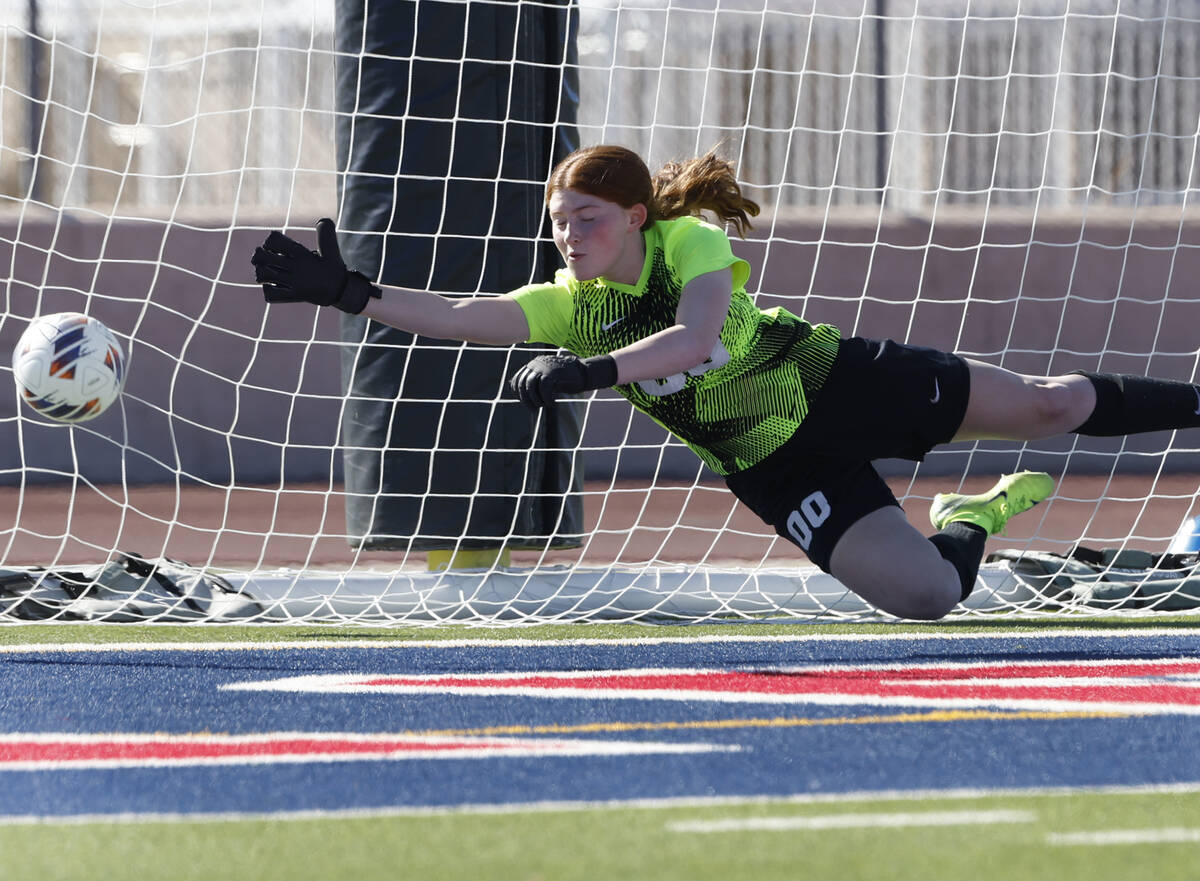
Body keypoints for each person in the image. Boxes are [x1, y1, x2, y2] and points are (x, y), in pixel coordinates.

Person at [252, 144, 1200, 620]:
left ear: (630, 216)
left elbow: (697, 340)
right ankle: (981, 513)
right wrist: (352, 292)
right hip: (773, 464)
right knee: (927, 598)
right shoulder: (564, 300)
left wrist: (593, 373)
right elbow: (462, 318)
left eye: (584, 219)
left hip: (839, 382)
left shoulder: (687, 240)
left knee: (1049, 405)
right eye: (556, 223)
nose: (566, 237)